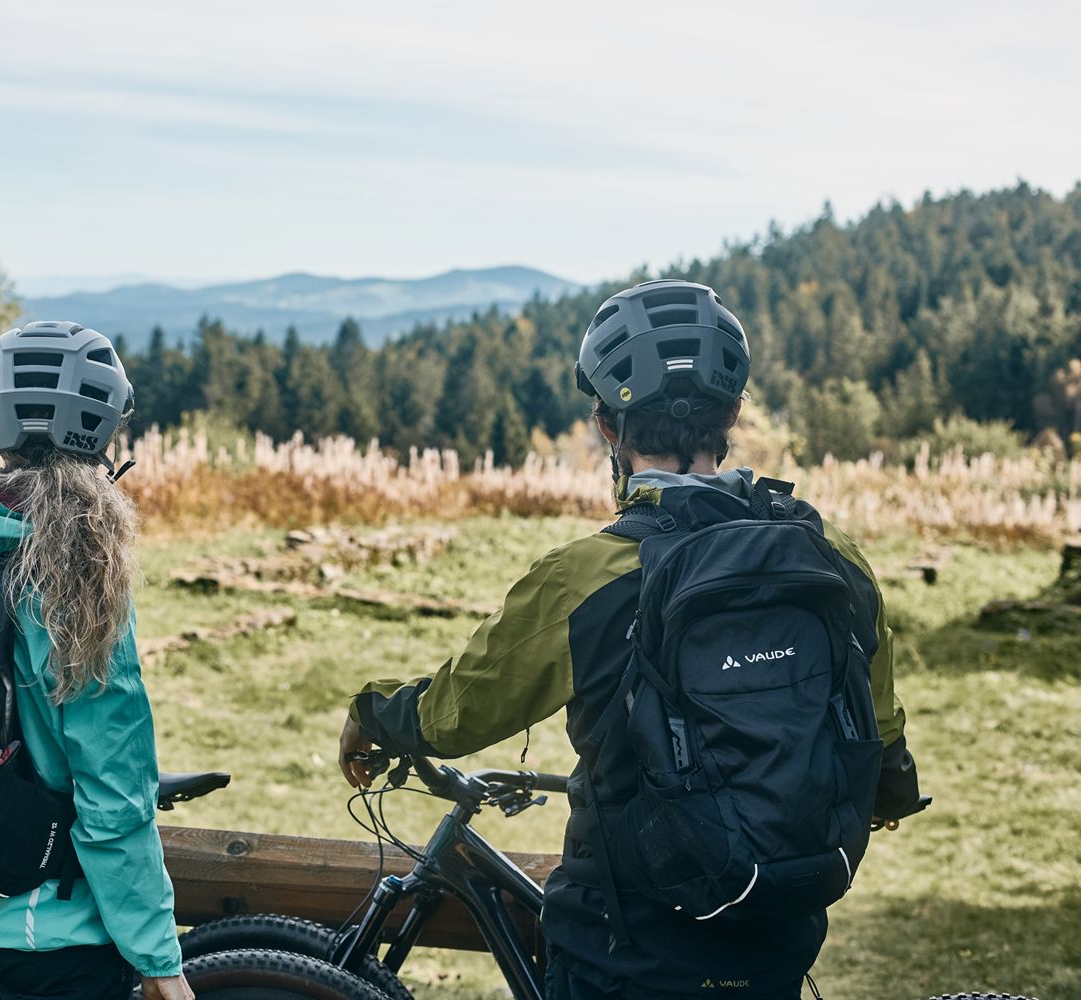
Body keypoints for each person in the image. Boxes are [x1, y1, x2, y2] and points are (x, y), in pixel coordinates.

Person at [338, 280, 925, 1000]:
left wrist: (373, 714)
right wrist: (888, 792)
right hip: (779, 926)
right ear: (734, 412)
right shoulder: (831, 557)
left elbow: (456, 715)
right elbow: (877, 727)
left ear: (606, 425)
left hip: (624, 947)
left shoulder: (583, 577)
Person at [0, 321, 193, 1000]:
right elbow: (113, 787)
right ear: (104, 431)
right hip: (50, 935)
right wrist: (158, 959)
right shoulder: (75, 574)